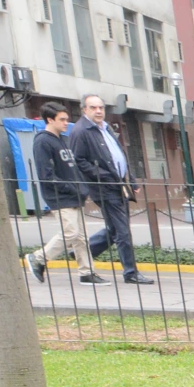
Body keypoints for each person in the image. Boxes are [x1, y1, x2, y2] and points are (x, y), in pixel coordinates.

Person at [70, 96, 153, 285]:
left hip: (119, 186)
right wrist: (105, 176)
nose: (98, 111)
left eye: (101, 107)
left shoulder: (104, 127)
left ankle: (83, 251)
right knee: (122, 231)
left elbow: (118, 157)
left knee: (114, 229)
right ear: (84, 110)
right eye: (93, 108)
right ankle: (130, 273)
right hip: (105, 188)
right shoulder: (81, 131)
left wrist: (130, 181)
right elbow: (79, 161)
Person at [22, 103, 99, 285]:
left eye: (67, 119)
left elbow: (71, 169)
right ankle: (38, 258)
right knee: (70, 233)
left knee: (81, 237)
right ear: (50, 120)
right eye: (62, 119)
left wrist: (82, 188)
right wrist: (73, 188)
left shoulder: (61, 140)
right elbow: (46, 175)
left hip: (74, 195)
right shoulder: (43, 141)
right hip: (60, 197)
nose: (66, 123)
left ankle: (87, 273)